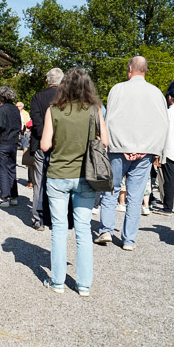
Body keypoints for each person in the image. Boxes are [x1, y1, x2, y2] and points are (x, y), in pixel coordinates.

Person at [40, 68, 108, 296]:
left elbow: (45, 145)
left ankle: (57, 282)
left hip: (58, 174)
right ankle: (84, 285)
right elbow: (105, 141)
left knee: (59, 229)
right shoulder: (94, 109)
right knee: (83, 229)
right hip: (86, 176)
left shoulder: (53, 110)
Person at [95, 56, 169, 250]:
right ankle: (129, 240)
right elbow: (163, 124)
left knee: (111, 190)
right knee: (136, 197)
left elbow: (110, 120)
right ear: (145, 70)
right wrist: (153, 150)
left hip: (118, 149)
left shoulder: (117, 89)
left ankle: (106, 230)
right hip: (145, 152)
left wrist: (117, 145)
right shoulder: (156, 93)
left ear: (130, 70)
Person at [29, 68, 63, 229]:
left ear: (47, 80)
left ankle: (38, 219)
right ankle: (57, 218)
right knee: (60, 182)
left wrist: (45, 138)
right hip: (62, 145)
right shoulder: (67, 98)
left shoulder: (37, 97)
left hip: (41, 144)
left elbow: (36, 123)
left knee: (39, 181)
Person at [0, 86, 20, 207]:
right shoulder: (15, 109)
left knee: (2, 170)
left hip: (2, 142)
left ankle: (4, 198)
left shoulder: (2, 109)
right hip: (13, 142)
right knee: (12, 169)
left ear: (1, 97)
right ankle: (13, 196)